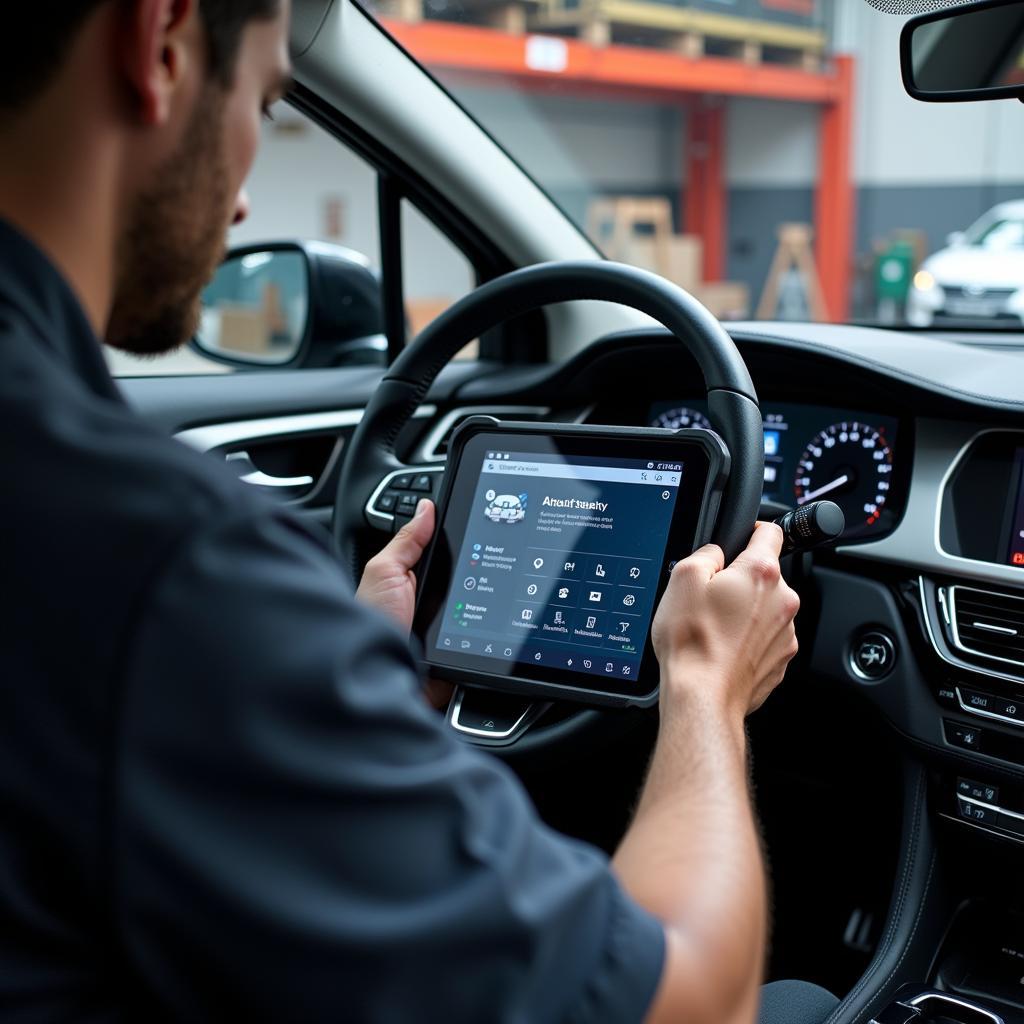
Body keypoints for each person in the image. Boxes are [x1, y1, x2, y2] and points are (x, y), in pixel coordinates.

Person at [0, 2, 832, 1021]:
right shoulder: (166, 568)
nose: (249, 200)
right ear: (160, 41)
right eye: (265, 99)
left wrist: (351, 663)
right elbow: (695, 1001)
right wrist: (706, 686)